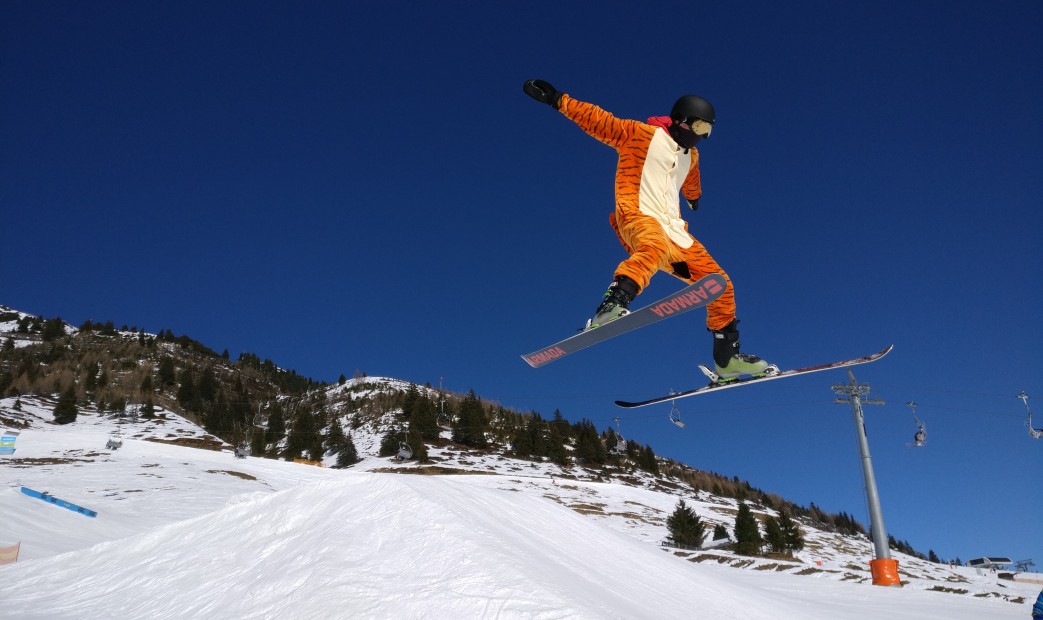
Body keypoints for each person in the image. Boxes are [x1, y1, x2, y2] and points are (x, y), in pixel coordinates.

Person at [523, 79, 771, 379]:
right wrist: (558, 99)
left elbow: (691, 179)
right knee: (653, 247)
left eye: (708, 131)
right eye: (699, 127)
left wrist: (694, 197)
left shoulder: (691, 156)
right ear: (681, 121)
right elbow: (599, 120)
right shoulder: (638, 134)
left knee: (722, 285)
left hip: (676, 233)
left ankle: (727, 359)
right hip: (637, 216)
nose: (701, 136)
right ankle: (612, 303)